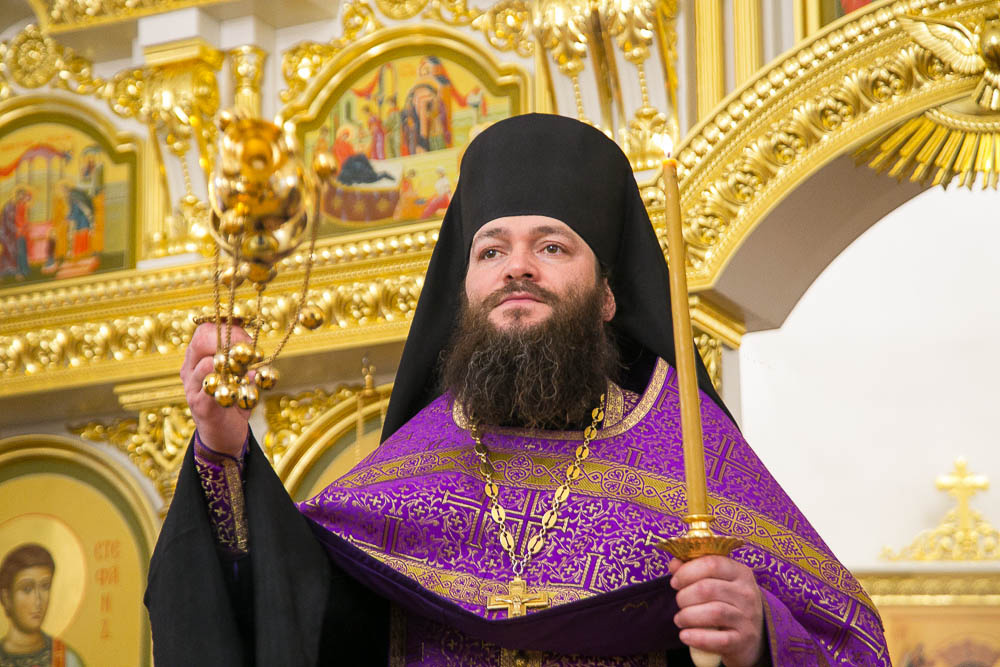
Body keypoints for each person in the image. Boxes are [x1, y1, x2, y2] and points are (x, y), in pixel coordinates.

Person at [148, 114, 890, 666]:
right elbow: (291, 615)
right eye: (491, 249)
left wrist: (762, 635)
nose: (518, 266)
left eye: (553, 246)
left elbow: (852, 642)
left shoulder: (690, 447)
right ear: (466, 288)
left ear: (608, 296)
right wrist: (224, 446)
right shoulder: (412, 464)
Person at [0, 543, 84, 667]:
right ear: (6, 598)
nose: (38, 601)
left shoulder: (67, 660)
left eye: (45, 586)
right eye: (27, 589)